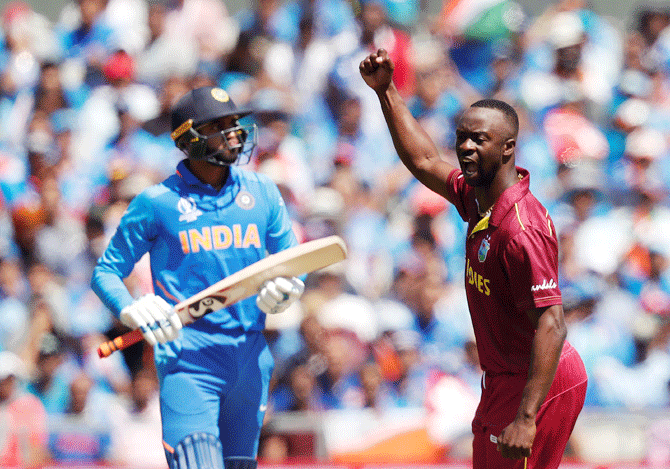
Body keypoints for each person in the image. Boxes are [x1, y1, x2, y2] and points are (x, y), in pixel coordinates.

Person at [360, 49, 588, 469]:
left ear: (507, 149)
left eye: (478, 139)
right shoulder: (478, 199)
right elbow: (424, 160)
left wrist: (526, 417)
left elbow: (553, 324)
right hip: (503, 379)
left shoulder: (522, 229)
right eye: (461, 136)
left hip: (537, 382)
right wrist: (387, 91)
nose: (465, 147)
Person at [91, 85, 305, 469]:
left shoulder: (263, 192)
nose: (235, 133)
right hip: (187, 359)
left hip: (250, 358)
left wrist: (288, 290)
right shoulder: (156, 203)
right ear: (188, 137)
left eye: (235, 123)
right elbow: (107, 271)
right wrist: (129, 308)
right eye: (219, 126)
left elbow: (292, 263)